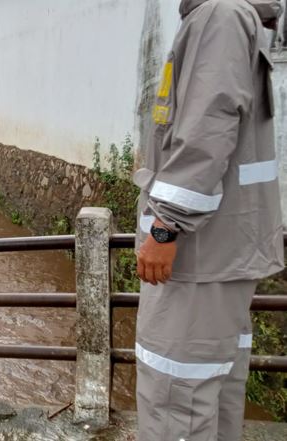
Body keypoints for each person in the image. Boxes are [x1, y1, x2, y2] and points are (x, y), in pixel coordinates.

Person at [134, 1, 283, 440]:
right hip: (222, 248)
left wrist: (165, 225)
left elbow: (206, 131)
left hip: (199, 253)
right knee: (212, 387)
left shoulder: (218, 14)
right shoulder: (228, 14)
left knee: (175, 390)